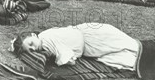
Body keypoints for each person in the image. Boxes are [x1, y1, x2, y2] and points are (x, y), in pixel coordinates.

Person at [11, 23, 140, 70]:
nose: (34, 49)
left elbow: (69, 60)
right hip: (87, 35)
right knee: (120, 52)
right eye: (31, 50)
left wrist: (57, 59)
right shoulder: (44, 37)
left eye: (31, 44)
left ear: (34, 35)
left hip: (92, 38)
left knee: (127, 46)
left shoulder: (46, 40)